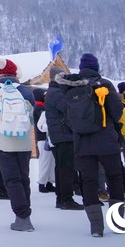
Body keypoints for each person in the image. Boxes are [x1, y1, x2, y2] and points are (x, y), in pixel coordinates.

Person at [57, 53, 125, 238]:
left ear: (81, 69)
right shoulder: (104, 84)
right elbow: (117, 112)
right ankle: (118, 223)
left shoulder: (70, 87)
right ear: (96, 68)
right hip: (107, 141)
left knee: (88, 182)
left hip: (82, 143)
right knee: (114, 178)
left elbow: (67, 117)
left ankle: (96, 227)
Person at [0, 59, 36, 231]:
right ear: (15, 73)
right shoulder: (25, 90)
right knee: (24, 179)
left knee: (11, 180)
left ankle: (22, 218)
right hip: (24, 140)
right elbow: (33, 113)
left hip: (3, 141)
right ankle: (25, 215)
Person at [43, 66, 84, 211]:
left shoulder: (53, 91)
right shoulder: (56, 92)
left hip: (59, 134)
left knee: (61, 168)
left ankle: (61, 198)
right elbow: (68, 108)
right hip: (64, 133)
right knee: (66, 168)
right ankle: (66, 198)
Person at [33, 87, 56, 194]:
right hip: (43, 138)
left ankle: (49, 182)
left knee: (50, 161)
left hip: (45, 138)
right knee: (45, 161)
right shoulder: (38, 108)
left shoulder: (39, 107)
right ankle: (42, 183)